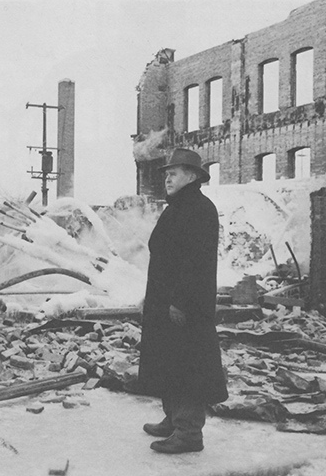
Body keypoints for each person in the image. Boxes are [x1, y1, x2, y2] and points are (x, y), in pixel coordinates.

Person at [137, 147, 228, 454]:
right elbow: (165, 256)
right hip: (166, 301)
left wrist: (181, 301)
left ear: (192, 176)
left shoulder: (200, 209)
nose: (168, 179)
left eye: (173, 173)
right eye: (166, 174)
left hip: (185, 305)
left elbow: (196, 262)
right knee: (168, 359)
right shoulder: (177, 207)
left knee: (188, 363)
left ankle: (189, 431)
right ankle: (173, 418)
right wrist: (151, 297)